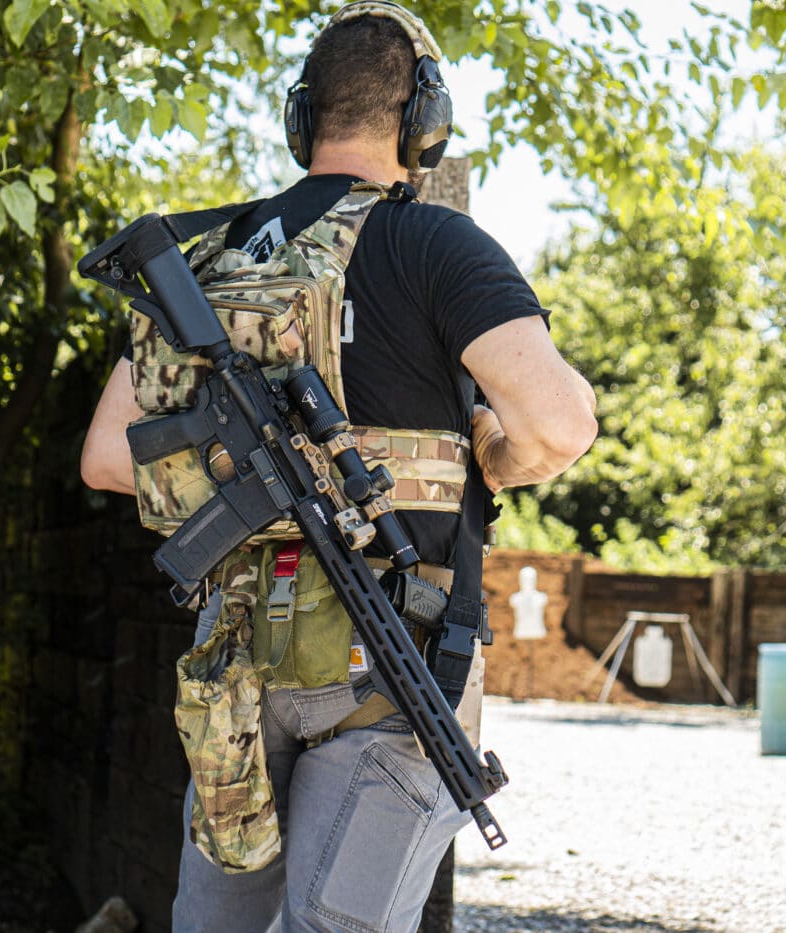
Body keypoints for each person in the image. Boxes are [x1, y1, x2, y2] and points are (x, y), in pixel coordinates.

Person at [81, 3, 597, 930]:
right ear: (422, 123)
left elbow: (107, 456)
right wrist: (486, 453)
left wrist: (243, 482)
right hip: (393, 662)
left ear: (302, 119)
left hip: (235, 663)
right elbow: (558, 427)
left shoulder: (210, 263)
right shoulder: (436, 244)